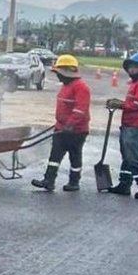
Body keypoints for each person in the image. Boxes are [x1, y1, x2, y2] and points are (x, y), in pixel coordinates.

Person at [31, 54, 90, 192]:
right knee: (55, 155)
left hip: (76, 130)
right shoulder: (66, 86)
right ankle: (48, 180)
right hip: (61, 127)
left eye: (59, 73)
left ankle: (74, 182)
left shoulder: (81, 87)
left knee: (75, 156)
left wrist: (70, 124)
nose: (58, 76)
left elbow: (80, 110)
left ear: (67, 72)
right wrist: (61, 124)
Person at [107, 51, 138, 199]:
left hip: (136, 126)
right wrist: (120, 103)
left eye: (135, 67)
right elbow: (131, 103)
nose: (132, 70)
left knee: (134, 156)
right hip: (128, 124)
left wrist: (121, 105)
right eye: (130, 67)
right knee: (127, 155)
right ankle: (124, 184)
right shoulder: (136, 83)